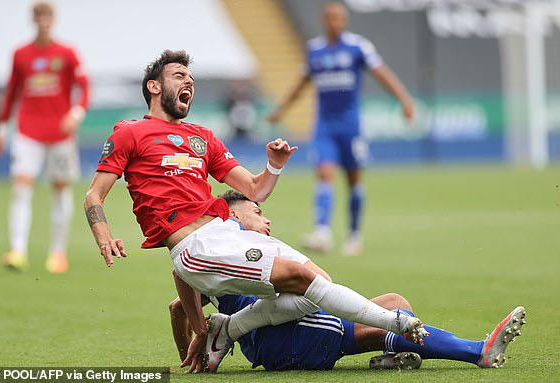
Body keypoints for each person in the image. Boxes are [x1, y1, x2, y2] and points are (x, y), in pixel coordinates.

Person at [84, 50, 427, 375]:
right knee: (304, 280)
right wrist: (104, 236)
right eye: (178, 75)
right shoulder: (130, 132)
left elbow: (254, 189)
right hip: (196, 244)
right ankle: (397, 323)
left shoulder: (202, 137)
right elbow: (94, 195)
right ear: (154, 86)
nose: (188, 82)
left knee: (315, 280)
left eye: (191, 77)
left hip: (227, 232)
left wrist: (273, 167)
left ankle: (228, 329)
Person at [168, 191, 526, 372]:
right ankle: (477, 352)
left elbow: (176, 309)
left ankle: (393, 356)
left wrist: (193, 348)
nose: (267, 220)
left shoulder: (222, 257)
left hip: (284, 339)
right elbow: (314, 285)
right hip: (289, 336)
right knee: (383, 318)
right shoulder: (229, 251)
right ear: (231, 214)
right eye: (258, 212)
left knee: (394, 302)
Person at [267, 2, 414, 256]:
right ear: (325, 20)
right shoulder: (315, 50)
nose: (334, 21)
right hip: (324, 126)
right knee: (324, 175)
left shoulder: (358, 46)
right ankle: (322, 232)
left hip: (351, 126)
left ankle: (354, 235)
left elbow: (382, 74)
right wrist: (281, 110)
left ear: (344, 20)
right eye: (330, 17)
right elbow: (301, 84)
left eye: (338, 17)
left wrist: (404, 99)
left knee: (354, 180)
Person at [0, 1, 90, 273]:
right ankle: (17, 251)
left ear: (53, 20)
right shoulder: (21, 54)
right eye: (39, 16)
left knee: (60, 189)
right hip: (27, 132)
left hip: (60, 134)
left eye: (47, 16)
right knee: (21, 187)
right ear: (33, 20)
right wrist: (1, 127)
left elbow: (84, 87)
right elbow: (12, 91)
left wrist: (77, 112)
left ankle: (58, 253)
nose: (43, 21)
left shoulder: (67, 53)